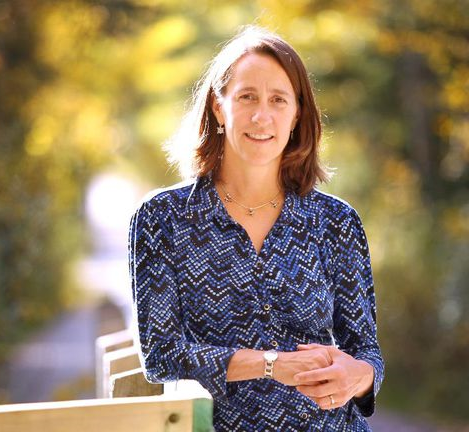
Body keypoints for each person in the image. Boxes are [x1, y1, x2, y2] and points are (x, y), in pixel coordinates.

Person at [128, 25, 383, 431]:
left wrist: (359, 375)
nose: (262, 116)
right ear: (218, 107)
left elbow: (367, 352)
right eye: (247, 97)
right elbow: (162, 355)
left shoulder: (335, 222)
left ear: (297, 113)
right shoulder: (163, 219)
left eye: (278, 100)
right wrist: (271, 365)